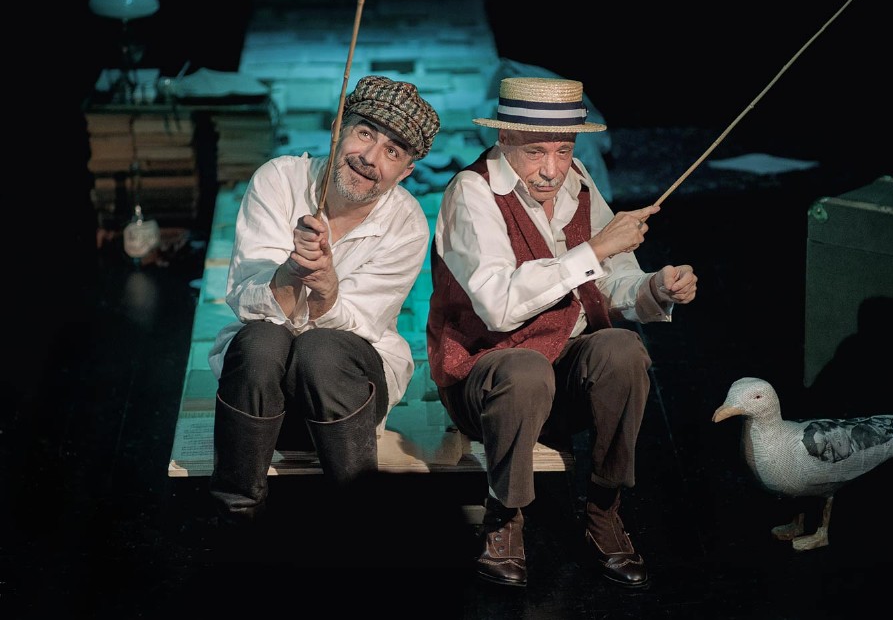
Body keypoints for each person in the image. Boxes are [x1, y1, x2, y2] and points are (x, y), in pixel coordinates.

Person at [427, 77, 697, 588]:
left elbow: (612, 280)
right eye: (535, 152)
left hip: (557, 373)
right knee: (524, 369)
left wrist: (656, 287)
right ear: (504, 138)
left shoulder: (577, 182)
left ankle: (603, 508)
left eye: (563, 149)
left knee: (622, 349)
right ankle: (504, 516)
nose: (551, 169)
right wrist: (592, 251)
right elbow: (499, 305)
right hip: (484, 379)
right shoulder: (473, 192)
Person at [207, 75, 440, 527]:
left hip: (346, 405)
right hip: (266, 411)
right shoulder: (279, 180)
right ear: (337, 128)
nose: (370, 158)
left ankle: (357, 520)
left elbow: (362, 326)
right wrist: (291, 273)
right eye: (365, 133)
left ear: (406, 172)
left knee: (321, 349)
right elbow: (245, 299)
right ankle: (237, 513)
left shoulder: (407, 224)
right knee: (260, 342)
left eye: (393, 152)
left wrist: (328, 288)